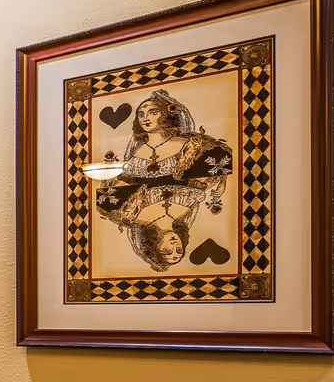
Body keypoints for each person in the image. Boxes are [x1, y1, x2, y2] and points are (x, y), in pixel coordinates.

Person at [94, 89, 234, 271]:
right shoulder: (184, 208)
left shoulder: (134, 215)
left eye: (152, 112)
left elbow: (219, 161)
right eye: (141, 114)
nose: (145, 118)